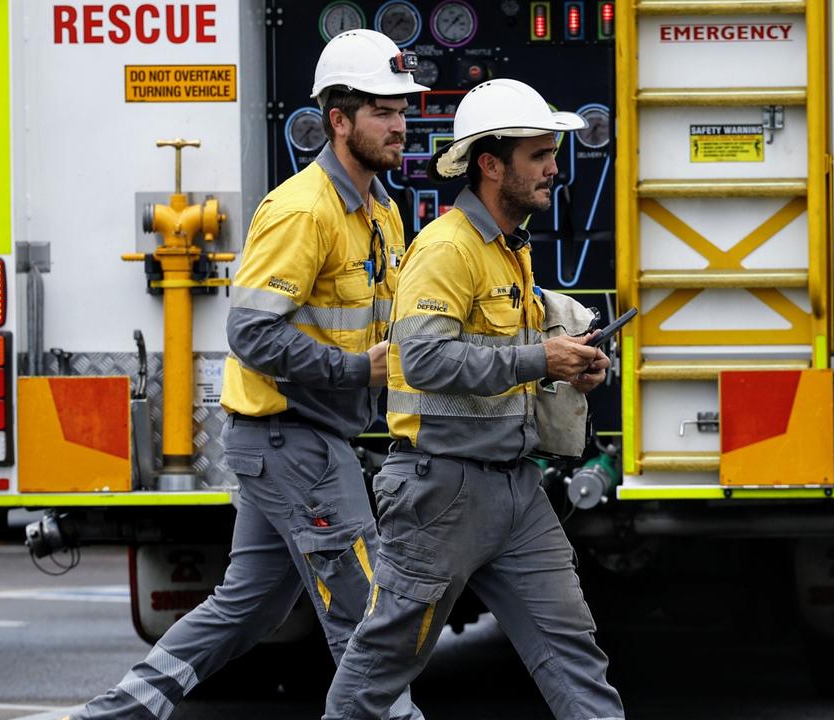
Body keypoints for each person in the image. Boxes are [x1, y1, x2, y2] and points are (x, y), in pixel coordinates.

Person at [69, 29, 427, 720]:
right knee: (368, 616)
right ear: (339, 120)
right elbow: (251, 333)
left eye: (401, 108)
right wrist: (356, 370)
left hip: (300, 439)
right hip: (293, 440)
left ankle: (111, 715)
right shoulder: (303, 210)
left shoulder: (380, 210)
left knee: (246, 609)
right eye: (382, 110)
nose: (400, 124)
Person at [321, 78, 625, 720]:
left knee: (574, 653)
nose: (554, 168)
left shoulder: (509, 248)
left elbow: (502, 359)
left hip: (515, 490)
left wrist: (568, 365)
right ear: (491, 165)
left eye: (552, 152)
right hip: (441, 494)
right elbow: (425, 359)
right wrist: (542, 358)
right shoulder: (446, 248)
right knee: (381, 666)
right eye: (538, 155)